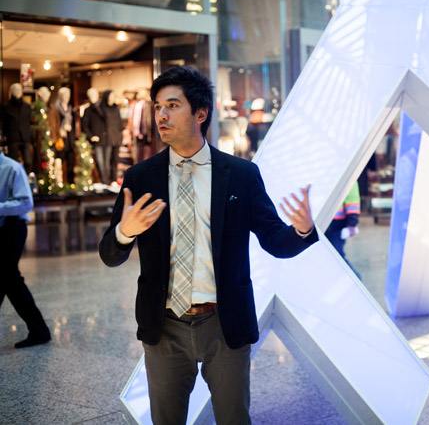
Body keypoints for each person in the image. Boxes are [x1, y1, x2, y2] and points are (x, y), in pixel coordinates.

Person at [99, 65, 318, 425]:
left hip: (224, 323)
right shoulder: (141, 177)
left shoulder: (242, 174)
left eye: (172, 105)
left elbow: (275, 241)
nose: (161, 115)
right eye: (157, 107)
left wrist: (301, 231)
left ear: (200, 113)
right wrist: (125, 232)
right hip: (164, 325)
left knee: (234, 418)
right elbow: (109, 254)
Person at [0, 135, 51, 348]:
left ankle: (40, 331)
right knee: (8, 280)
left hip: (12, 229)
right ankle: (39, 331)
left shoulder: (12, 169)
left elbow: (25, 203)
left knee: (9, 278)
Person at [324, 181, 361, 278]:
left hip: (337, 225)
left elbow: (352, 200)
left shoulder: (345, 174)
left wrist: (351, 224)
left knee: (337, 255)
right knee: (326, 255)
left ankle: (355, 280)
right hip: (321, 223)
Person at [1, 83, 34, 173]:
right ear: (11, 92)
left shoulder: (27, 107)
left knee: (28, 161)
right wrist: (4, 136)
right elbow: (3, 123)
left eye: (19, 90)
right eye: (15, 90)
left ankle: (26, 180)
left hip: (25, 137)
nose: (17, 92)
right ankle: (15, 181)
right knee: (13, 162)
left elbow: (29, 121)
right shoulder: (6, 107)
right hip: (12, 137)